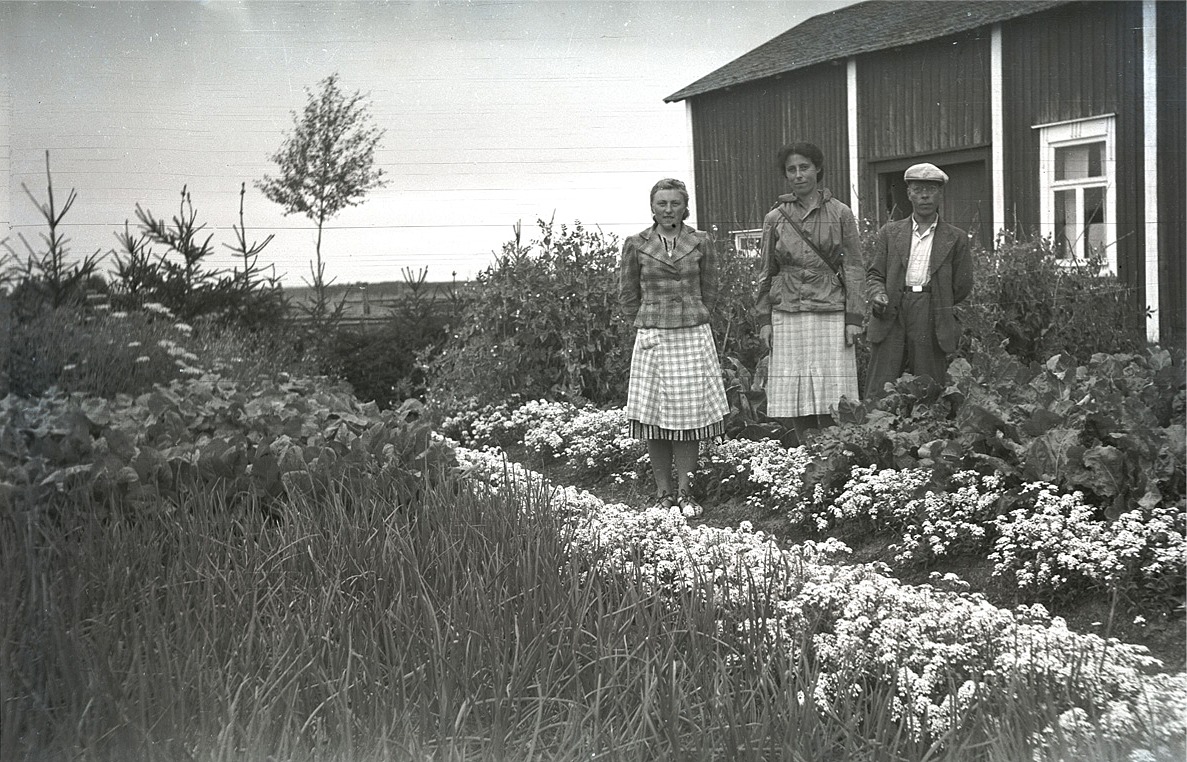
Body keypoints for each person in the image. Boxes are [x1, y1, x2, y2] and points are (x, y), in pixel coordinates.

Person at [620, 178, 728, 518]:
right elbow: (627, 294)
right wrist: (646, 321)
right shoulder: (636, 244)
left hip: (691, 336)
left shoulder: (701, 242)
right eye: (662, 203)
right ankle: (663, 493)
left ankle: (686, 493)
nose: (669, 210)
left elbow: (710, 287)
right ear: (652, 208)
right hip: (653, 336)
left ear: (685, 207)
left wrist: (696, 314)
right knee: (654, 419)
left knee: (688, 418)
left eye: (675, 203)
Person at [755, 142, 865, 439]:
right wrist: (764, 320)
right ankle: (805, 458)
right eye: (791, 169)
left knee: (832, 392)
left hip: (829, 310)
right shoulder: (775, 218)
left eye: (804, 167)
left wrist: (855, 317)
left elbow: (854, 267)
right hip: (787, 312)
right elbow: (766, 271)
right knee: (796, 392)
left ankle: (831, 456)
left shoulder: (840, 213)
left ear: (817, 169)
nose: (798, 175)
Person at [865, 162, 973, 398]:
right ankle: (874, 430)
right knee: (880, 385)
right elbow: (875, 274)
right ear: (909, 193)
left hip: (931, 311)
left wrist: (938, 298)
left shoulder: (956, 238)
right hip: (892, 308)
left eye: (931, 189)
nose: (924, 196)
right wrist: (878, 294)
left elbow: (962, 285)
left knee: (928, 385)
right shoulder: (890, 233)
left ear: (940, 193)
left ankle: (927, 431)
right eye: (918, 189)